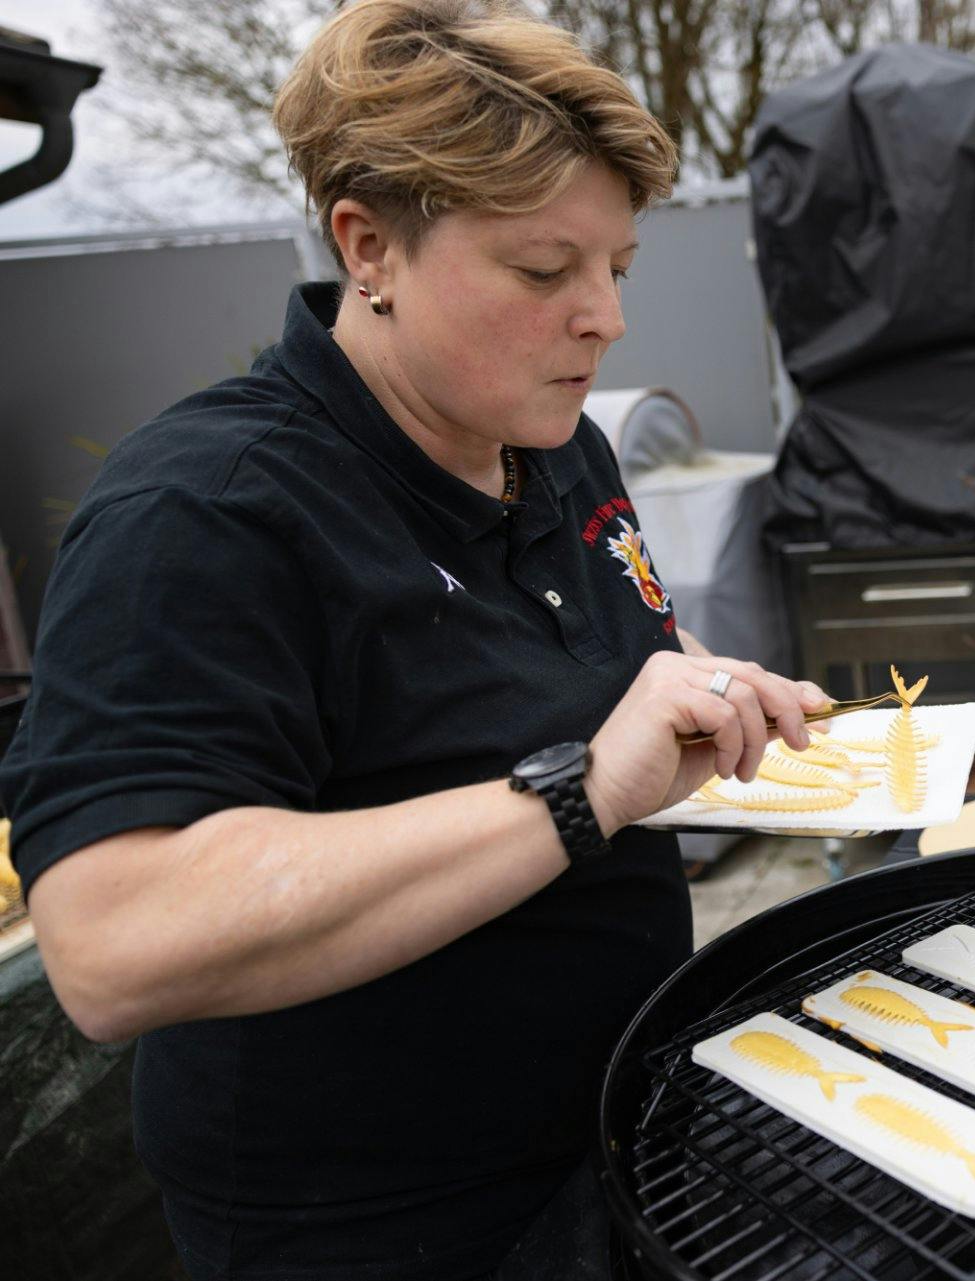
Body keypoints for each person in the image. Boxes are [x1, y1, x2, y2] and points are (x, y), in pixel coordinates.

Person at [0, 2, 829, 1276]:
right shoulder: (211, 510)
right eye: (546, 272)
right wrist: (581, 792)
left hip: (617, 1139)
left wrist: (702, 690)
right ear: (369, 245)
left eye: (619, 269)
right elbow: (113, 942)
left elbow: (571, 673)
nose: (604, 318)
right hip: (388, 1232)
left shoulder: (559, 449)